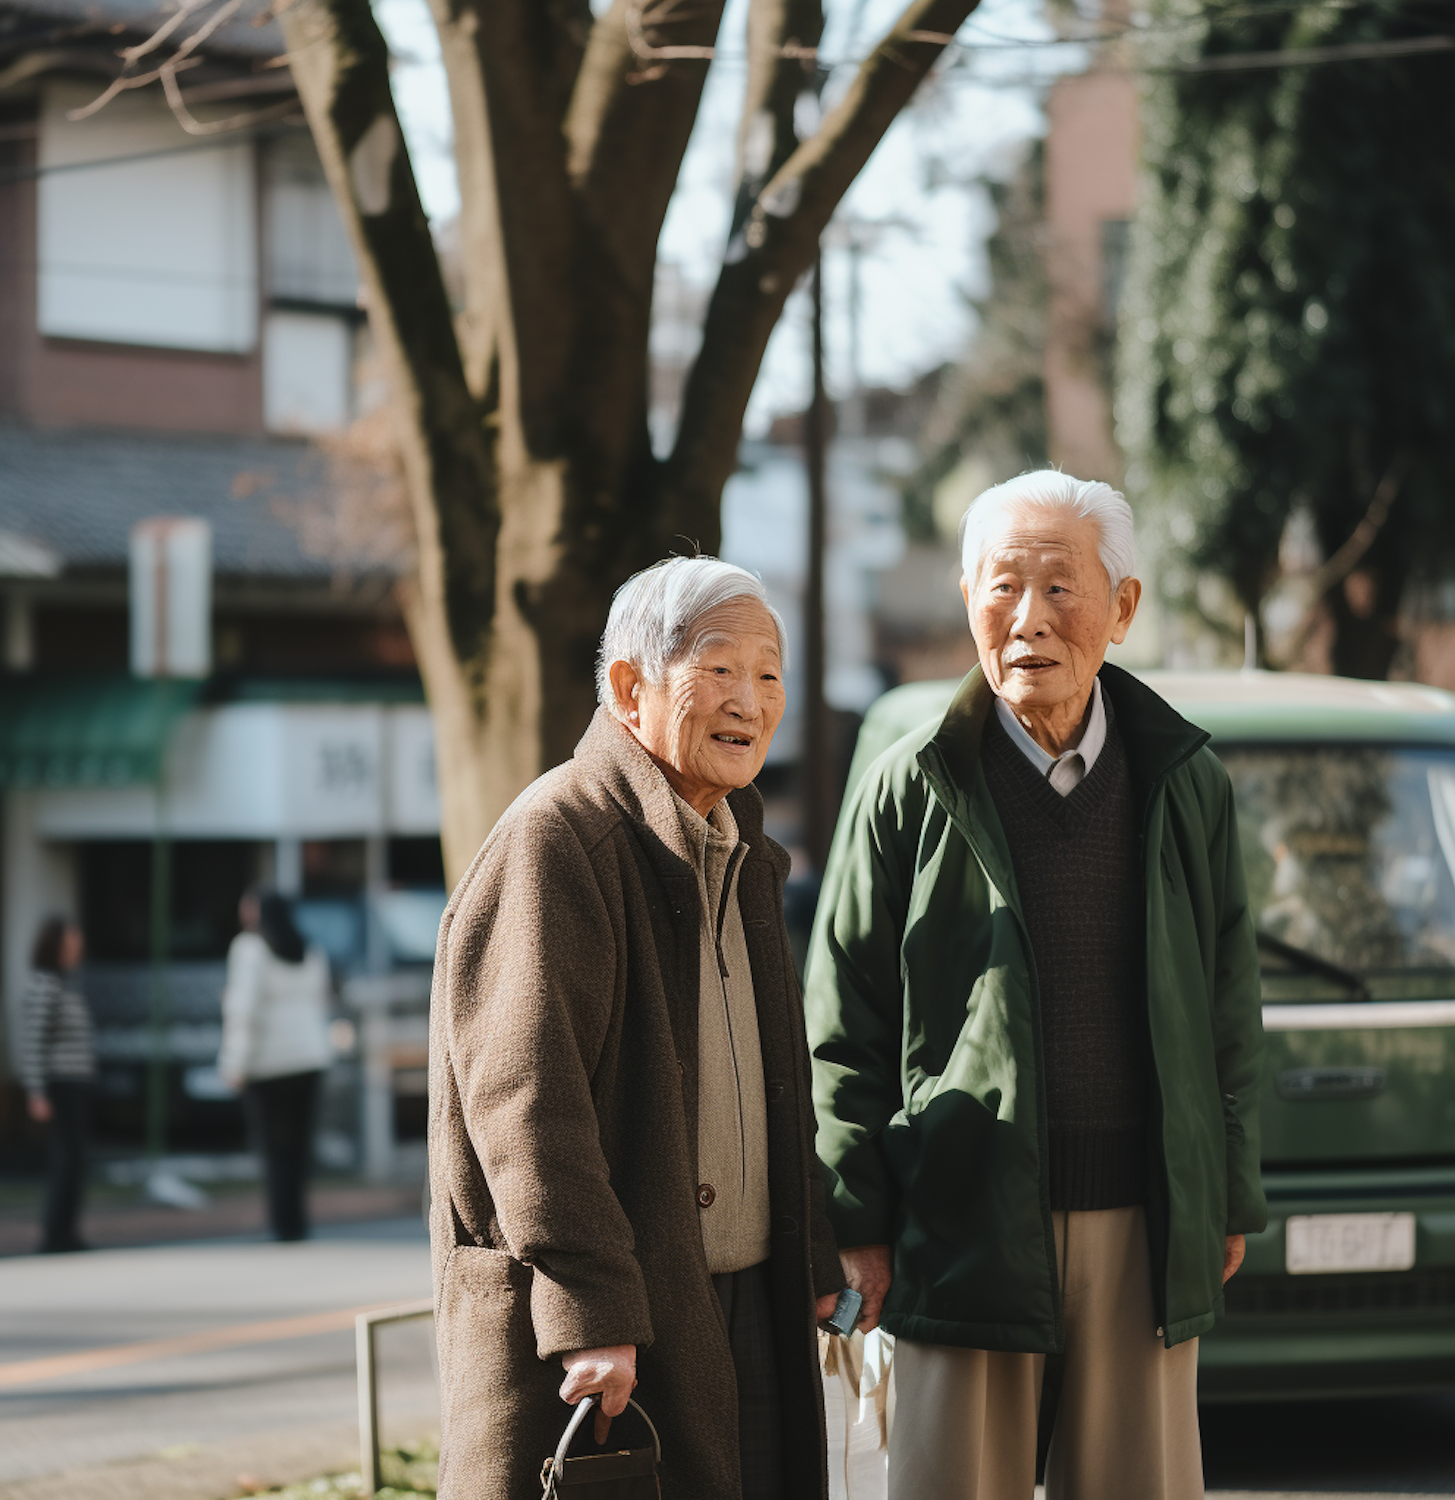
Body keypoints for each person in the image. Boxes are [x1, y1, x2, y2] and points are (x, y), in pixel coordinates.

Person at [804, 471, 1267, 1500]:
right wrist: (856, 1219)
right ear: (968, 600)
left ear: (1124, 608)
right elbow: (844, 1019)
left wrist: (1226, 1188)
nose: (1028, 618)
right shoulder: (911, 782)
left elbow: (1229, 1001)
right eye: (1002, 586)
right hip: (961, 1214)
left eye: (1062, 587)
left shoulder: (1184, 779)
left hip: (1142, 1212)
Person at [428, 556, 845, 1500]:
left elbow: (780, 1080)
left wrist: (812, 1250)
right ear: (629, 688)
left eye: (770, 672)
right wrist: (591, 1306)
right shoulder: (560, 839)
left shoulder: (741, 848)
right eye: (721, 669)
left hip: (743, 1304)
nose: (752, 699)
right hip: (614, 1323)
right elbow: (528, 1109)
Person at [218, 889, 332, 1242]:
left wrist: (234, 1062)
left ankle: (281, 1222)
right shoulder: (309, 949)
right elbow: (322, 999)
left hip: (267, 1063)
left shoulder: (248, 949)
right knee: (299, 1145)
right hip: (310, 1057)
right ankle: (297, 1221)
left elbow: (243, 1011)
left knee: (272, 1147)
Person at [21, 916, 95, 1254]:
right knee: (65, 1159)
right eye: (71, 940)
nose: (77, 947)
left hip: (77, 1082)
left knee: (77, 1159)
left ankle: (68, 1231)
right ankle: (54, 1233)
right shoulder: (45, 985)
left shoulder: (67, 984)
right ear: (56, 945)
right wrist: (36, 1090)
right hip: (59, 1084)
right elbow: (34, 1041)